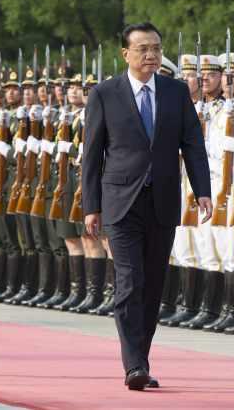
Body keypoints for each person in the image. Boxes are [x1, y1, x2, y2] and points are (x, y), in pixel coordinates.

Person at [82, 22, 212, 391]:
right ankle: (134, 364)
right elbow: (91, 154)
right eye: (142, 49)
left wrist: (202, 189)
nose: (151, 55)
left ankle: (141, 355)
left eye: (155, 47)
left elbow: (193, 144)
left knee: (153, 285)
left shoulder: (175, 92)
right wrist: (92, 206)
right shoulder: (105, 94)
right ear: (126, 54)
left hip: (162, 201)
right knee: (129, 281)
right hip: (120, 202)